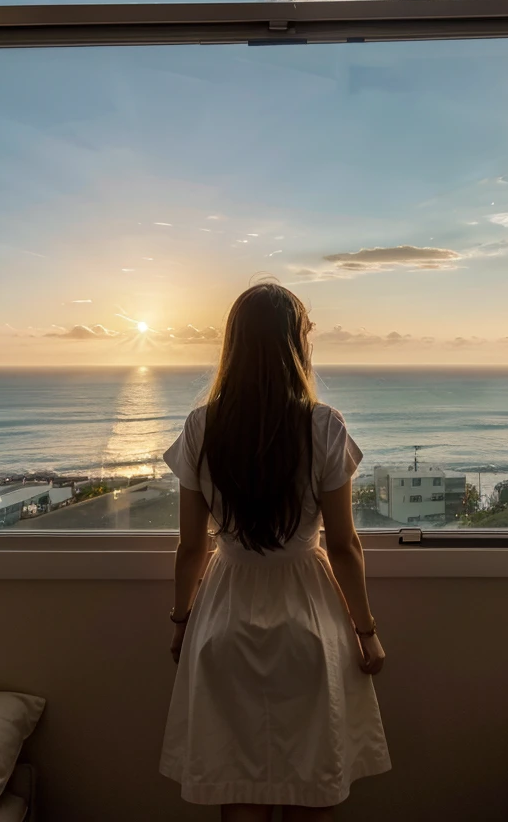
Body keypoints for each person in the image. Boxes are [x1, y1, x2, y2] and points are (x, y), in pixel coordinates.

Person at [159, 282, 391, 821]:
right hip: (307, 620)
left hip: (224, 617)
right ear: (296, 344)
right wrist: (366, 630)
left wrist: (180, 622)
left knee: (238, 787)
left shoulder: (202, 427)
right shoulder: (324, 426)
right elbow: (343, 545)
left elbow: (190, 547)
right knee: (311, 790)